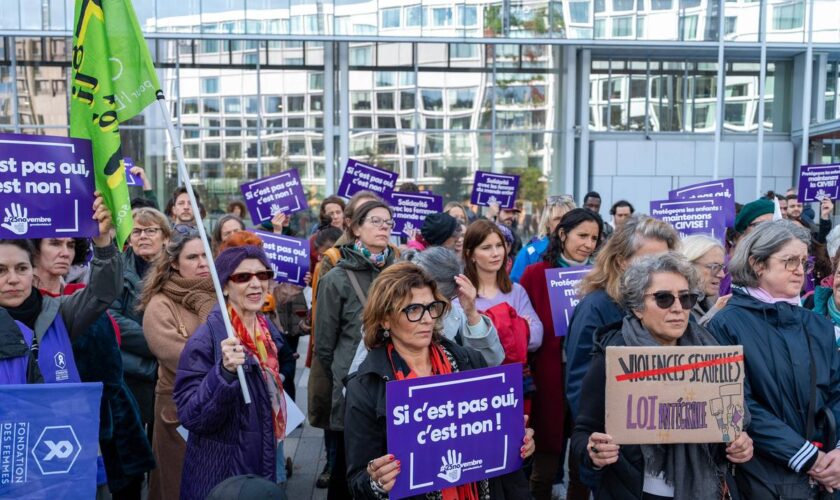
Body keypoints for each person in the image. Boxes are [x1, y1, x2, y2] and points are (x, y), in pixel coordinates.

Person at [344, 262, 535, 499]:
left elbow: (505, 464)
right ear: (385, 319)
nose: (426, 319)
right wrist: (376, 482)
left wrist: (518, 444)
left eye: (431, 307)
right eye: (413, 310)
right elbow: (357, 481)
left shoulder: (470, 362)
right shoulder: (365, 386)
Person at [571, 252, 753, 499]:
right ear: (637, 307)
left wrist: (739, 445)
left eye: (686, 298)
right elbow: (583, 432)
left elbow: (729, 424)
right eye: (663, 299)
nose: (678, 308)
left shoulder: (711, 351)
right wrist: (594, 452)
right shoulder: (613, 358)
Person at [706, 220, 840, 497]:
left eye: (804, 261)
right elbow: (736, 402)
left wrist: (837, 453)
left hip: (825, 475)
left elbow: (837, 392)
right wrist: (805, 456)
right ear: (757, 264)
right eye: (789, 261)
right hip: (759, 475)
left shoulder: (818, 325)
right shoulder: (726, 324)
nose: (800, 270)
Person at [173, 241, 295, 499]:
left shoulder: (266, 330)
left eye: (263, 275)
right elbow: (192, 417)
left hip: (263, 455)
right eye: (242, 277)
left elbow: (282, 366)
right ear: (225, 286)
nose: (255, 283)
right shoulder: (207, 339)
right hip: (223, 472)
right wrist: (224, 373)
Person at [314, 200, 397, 498]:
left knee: (388, 463)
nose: (384, 227)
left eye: (388, 222)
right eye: (376, 221)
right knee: (349, 467)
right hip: (355, 385)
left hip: (394, 380)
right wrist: (346, 374)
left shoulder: (400, 273)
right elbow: (324, 345)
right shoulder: (336, 278)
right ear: (356, 228)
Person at [519, 208, 603, 499]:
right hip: (548, 376)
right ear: (563, 234)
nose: (589, 244)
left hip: (588, 375)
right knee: (545, 458)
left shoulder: (600, 276)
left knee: (583, 458)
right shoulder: (535, 273)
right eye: (582, 236)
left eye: (594, 238)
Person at [566, 215, 680, 421]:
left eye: (664, 261)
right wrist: (600, 441)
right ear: (621, 262)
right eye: (648, 261)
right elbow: (580, 387)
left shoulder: (673, 304)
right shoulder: (595, 307)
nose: (658, 270)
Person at [0, 194, 118, 382]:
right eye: (1, 271)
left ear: (33, 270)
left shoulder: (59, 312)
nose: (13, 279)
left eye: (22, 268)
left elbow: (103, 292)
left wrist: (103, 242)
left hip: (60, 410)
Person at [139, 227, 216, 500]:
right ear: (174, 263)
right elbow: (181, 358)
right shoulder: (160, 305)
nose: (203, 263)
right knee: (177, 485)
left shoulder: (222, 295)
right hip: (179, 410)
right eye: (193, 257)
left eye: (207, 255)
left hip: (220, 408)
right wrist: (226, 360)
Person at [349, 246, 505, 372]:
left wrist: (471, 313)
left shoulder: (455, 316)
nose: (428, 318)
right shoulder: (386, 317)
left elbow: (489, 364)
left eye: (436, 305)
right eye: (414, 308)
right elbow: (358, 384)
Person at [109, 207, 173, 437]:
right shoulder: (115, 269)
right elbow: (112, 318)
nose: (143, 236)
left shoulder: (177, 270)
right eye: (136, 232)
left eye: (150, 230)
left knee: (164, 443)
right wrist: (158, 343)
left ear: (166, 237)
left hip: (168, 371)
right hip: (131, 370)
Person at [462, 219, 544, 356]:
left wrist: (487, 329)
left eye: (499, 245)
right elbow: (470, 347)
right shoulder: (462, 295)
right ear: (471, 254)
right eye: (486, 247)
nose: (496, 253)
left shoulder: (516, 291)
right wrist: (518, 325)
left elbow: (536, 337)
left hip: (515, 374)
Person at [511, 195, 577, 282]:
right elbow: (515, 289)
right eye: (557, 218)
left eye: (568, 218)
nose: (563, 223)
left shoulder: (584, 249)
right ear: (547, 223)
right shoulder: (530, 254)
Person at [681, 235, 730, 326]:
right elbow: (689, 338)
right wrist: (715, 313)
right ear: (687, 266)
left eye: (722, 267)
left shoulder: (712, 299)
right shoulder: (673, 302)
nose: (722, 275)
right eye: (714, 267)